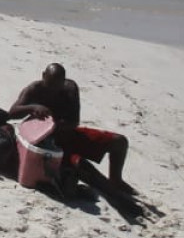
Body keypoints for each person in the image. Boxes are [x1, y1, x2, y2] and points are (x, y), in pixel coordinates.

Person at [8, 62, 130, 192]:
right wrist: (33, 107)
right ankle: (111, 190)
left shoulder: (70, 89)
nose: (53, 90)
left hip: (68, 135)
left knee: (120, 141)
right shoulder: (34, 89)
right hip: (46, 144)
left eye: (57, 86)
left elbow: (74, 122)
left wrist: (53, 125)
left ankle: (116, 180)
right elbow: (12, 112)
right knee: (83, 167)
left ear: (63, 81)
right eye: (50, 85)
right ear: (43, 76)